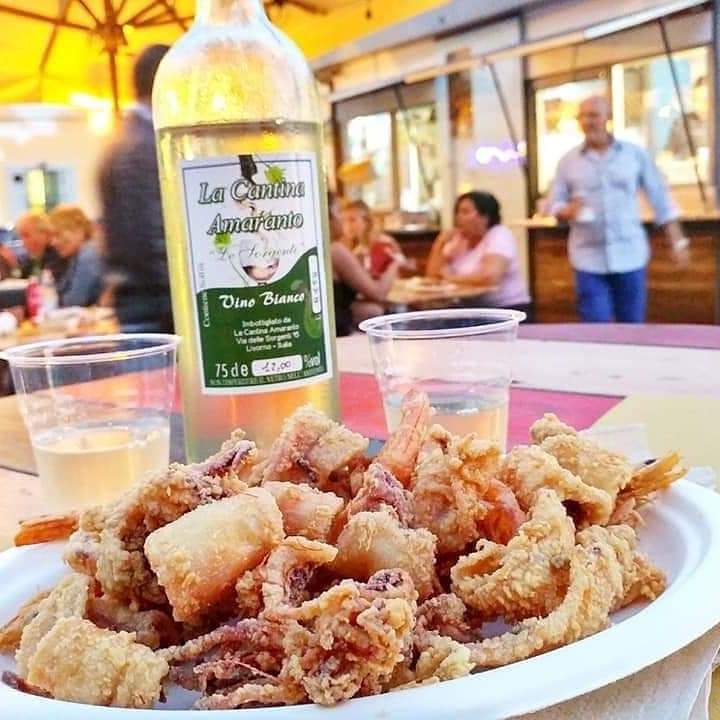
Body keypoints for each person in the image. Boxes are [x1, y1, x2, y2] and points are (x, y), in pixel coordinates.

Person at [548, 95, 686, 323]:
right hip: (588, 259)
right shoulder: (567, 161)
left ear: (608, 118)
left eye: (593, 115)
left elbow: (661, 199)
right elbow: (554, 203)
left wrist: (678, 241)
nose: (587, 122)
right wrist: (566, 210)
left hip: (630, 255)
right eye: (582, 116)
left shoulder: (634, 155)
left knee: (631, 328)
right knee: (595, 328)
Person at [98, 44, 172, 332]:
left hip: (138, 302)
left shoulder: (125, 139)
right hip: (153, 305)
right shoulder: (142, 146)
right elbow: (147, 235)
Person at [426, 191, 530, 314]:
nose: (458, 217)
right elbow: (433, 277)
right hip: (473, 309)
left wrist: (450, 278)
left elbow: (489, 277)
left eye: (465, 212)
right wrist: (439, 243)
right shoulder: (459, 239)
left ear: (485, 217)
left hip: (505, 309)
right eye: (457, 212)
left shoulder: (499, 235)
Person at [328, 193, 401, 336]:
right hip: (339, 331)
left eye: (352, 219)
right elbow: (378, 293)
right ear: (328, 216)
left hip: (334, 324)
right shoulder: (335, 250)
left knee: (376, 311)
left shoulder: (380, 243)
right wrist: (395, 262)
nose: (343, 219)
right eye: (339, 211)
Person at [48, 205, 103, 307]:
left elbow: (74, 301)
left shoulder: (88, 256)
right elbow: (60, 292)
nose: (53, 242)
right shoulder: (77, 255)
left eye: (58, 234)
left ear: (78, 231)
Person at [341, 200, 413, 277]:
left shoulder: (384, 243)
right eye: (343, 220)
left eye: (352, 220)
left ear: (366, 221)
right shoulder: (347, 247)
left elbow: (404, 267)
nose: (347, 225)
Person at [13, 211, 67, 280]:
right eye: (21, 237)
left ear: (45, 234)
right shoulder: (32, 258)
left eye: (26, 235)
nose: (23, 242)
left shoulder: (58, 257)